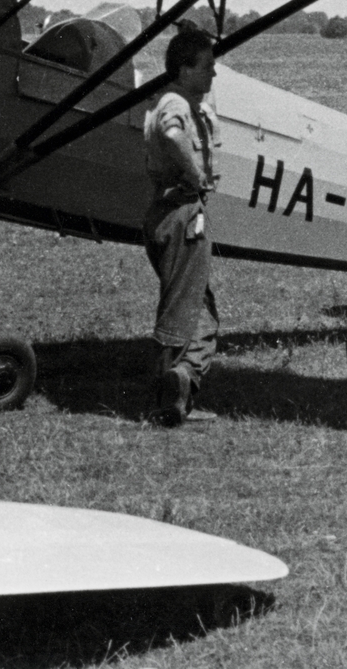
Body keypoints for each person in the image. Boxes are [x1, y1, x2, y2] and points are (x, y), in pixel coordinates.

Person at [142, 24, 221, 426]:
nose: (213, 74)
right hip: (184, 211)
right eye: (207, 66)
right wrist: (195, 176)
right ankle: (167, 398)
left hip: (167, 212)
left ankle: (181, 381)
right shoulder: (174, 102)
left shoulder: (180, 100)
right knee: (180, 310)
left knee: (200, 312)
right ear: (184, 69)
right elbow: (172, 135)